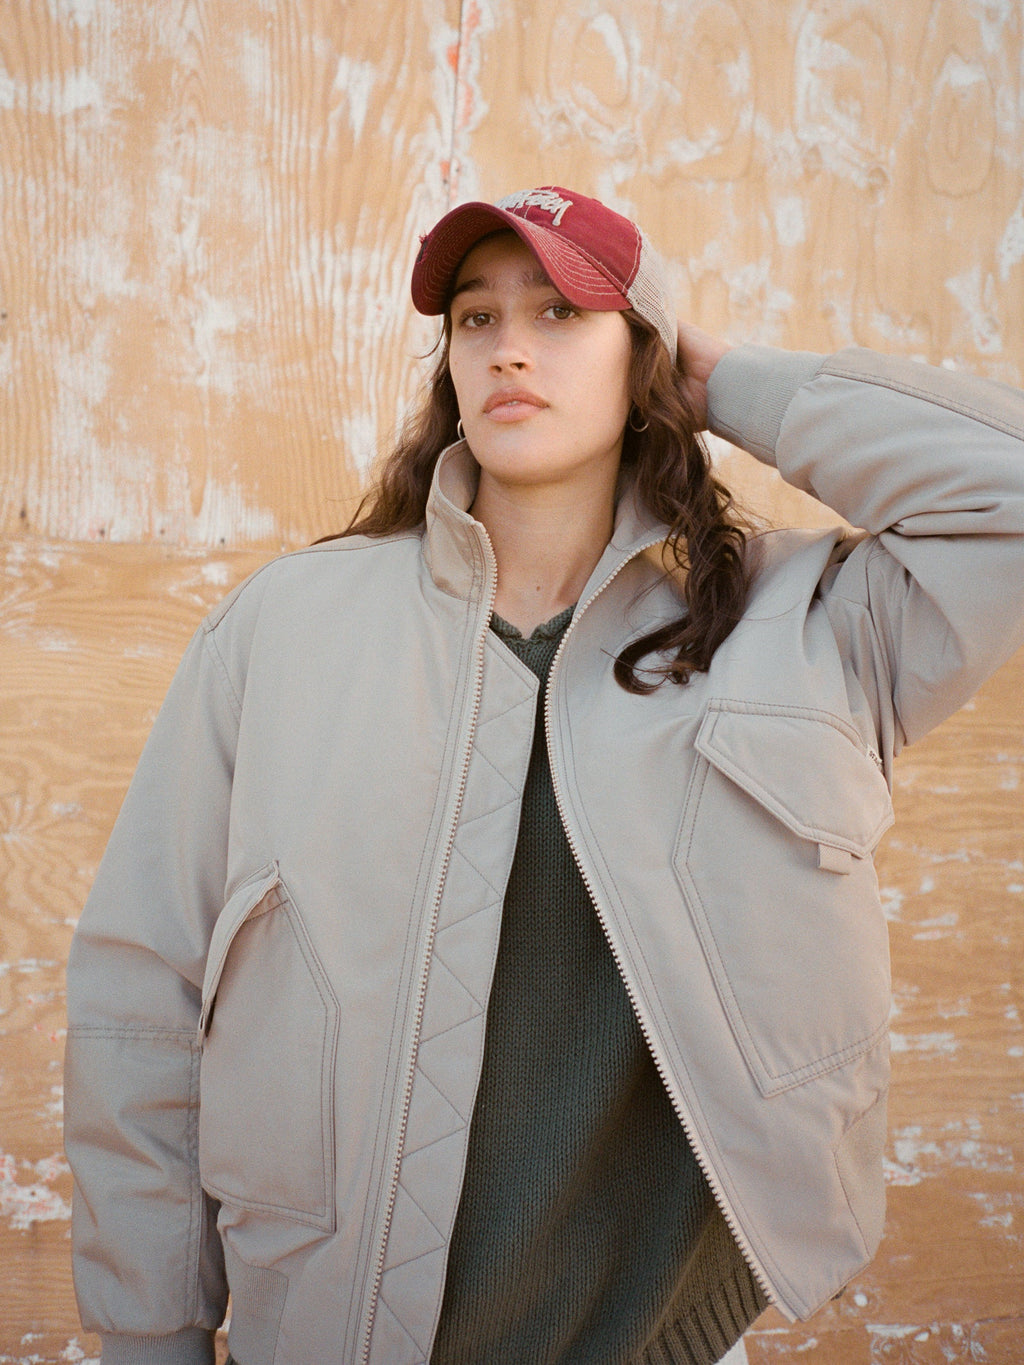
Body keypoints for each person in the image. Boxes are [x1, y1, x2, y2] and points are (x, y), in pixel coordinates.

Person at [64, 185, 1024, 1365]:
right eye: (476, 318)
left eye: (564, 312)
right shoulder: (284, 629)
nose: (509, 345)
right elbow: (140, 992)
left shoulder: (807, 629)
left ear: (647, 363)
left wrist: (722, 380)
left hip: (653, 1332)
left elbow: (1006, 491)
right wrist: (147, 1335)